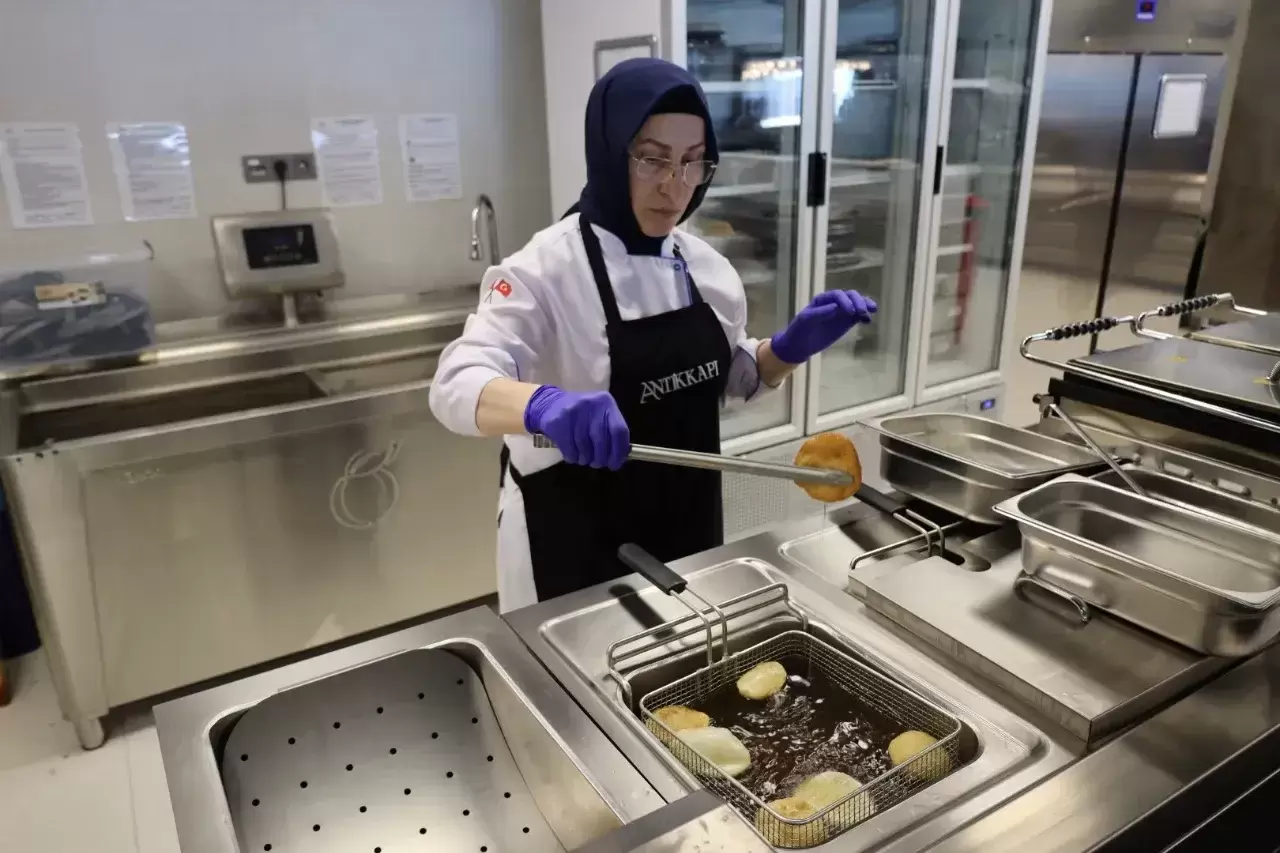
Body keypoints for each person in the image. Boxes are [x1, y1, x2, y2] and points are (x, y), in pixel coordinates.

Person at [429, 58, 876, 612]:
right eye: (652, 159)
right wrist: (542, 406)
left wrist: (782, 352)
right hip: (571, 538)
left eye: (692, 162)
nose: (675, 187)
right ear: (609, 153)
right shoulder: (541, 273)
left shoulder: (709, 270)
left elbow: (727, 380)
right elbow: (454, 383)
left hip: (688, 526)